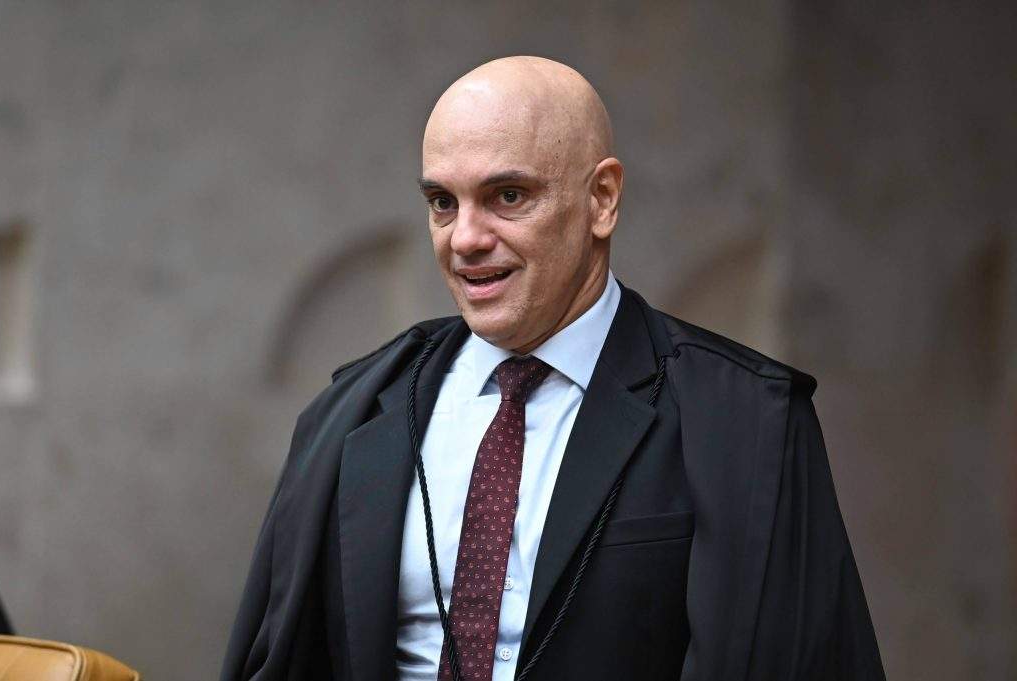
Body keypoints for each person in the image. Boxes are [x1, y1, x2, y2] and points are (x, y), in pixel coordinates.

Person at [220, 56, 885, 681]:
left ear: (602, 199)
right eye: (443, 202)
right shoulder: (353, 411)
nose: (465, 238)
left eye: (507, 195)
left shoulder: (747, 420)